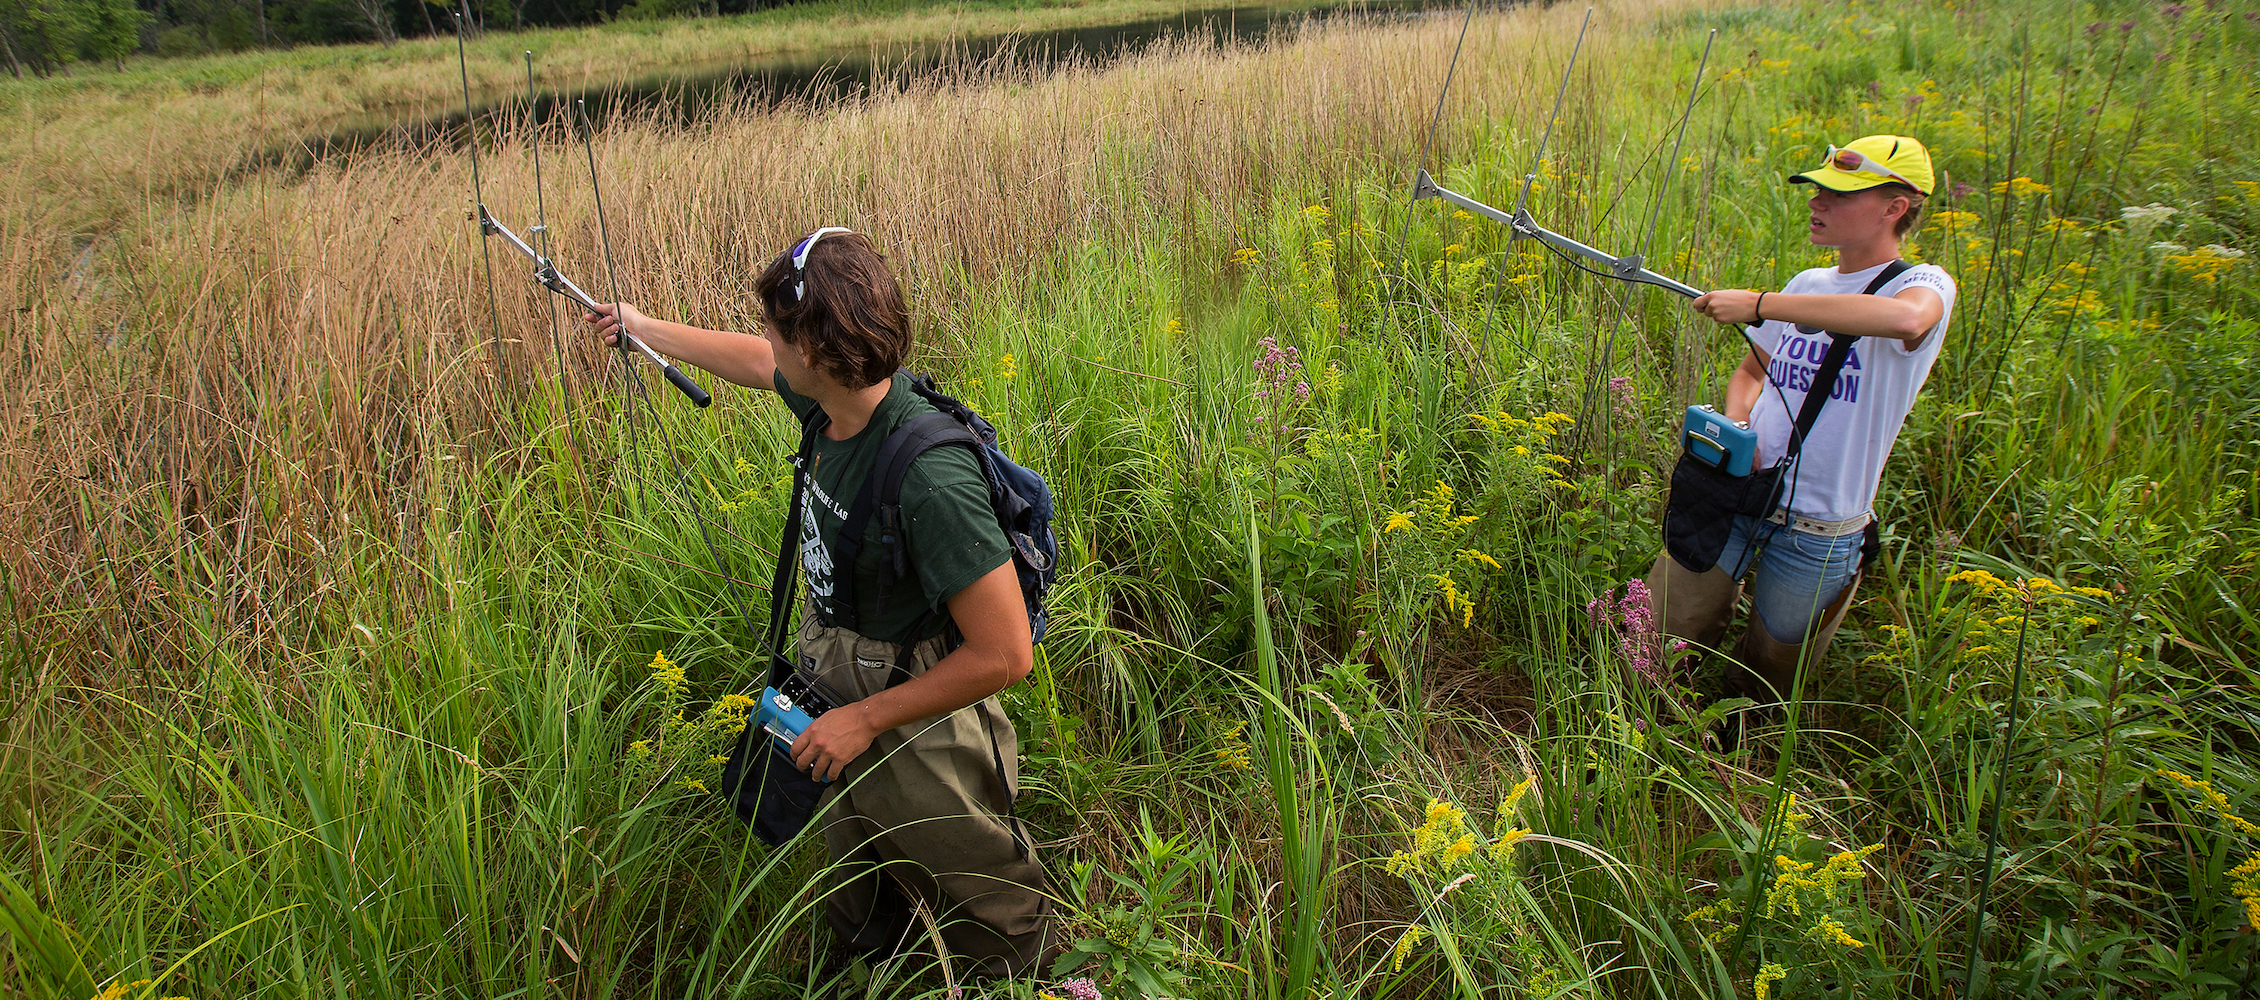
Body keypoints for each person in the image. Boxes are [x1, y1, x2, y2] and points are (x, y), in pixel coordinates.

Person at [584, 228, 1053, 977]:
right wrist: (642, 326)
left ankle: (1032, 983)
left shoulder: (933, 481)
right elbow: (748, 357)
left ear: (817, 351)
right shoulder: (831, 403)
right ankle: (876, 971)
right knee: (859, 879)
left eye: (778, 331)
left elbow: (1005, 653)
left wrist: (862, 720)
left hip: (912, 708)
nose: (767, 343)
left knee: (984, 890)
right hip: (836, 677)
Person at [1658, 134, 1957, 714]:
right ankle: (1644, 729)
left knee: (1771, 673)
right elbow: (1751, 372)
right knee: (1662, 632)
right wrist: (1739, 424)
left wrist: (1763, 303)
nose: (1818, 202)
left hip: (1818, 530)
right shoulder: (1807, 284)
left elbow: (1903, 320)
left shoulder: (1922, 285)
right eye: (1817, 190)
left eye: (1839, 195)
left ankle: (1735, 758)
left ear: (1896, 207)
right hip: (1734, 493)